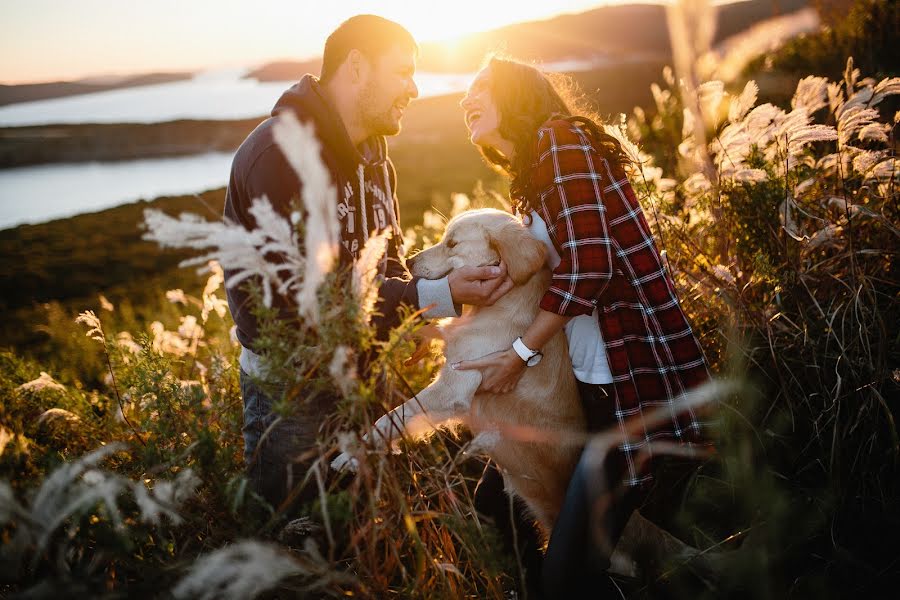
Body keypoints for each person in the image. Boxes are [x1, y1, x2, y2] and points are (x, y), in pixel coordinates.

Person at [223, 16, 512, 511]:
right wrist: (442, 297)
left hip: (368, 378)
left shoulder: (376, 158)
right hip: (296, 395)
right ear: (357, 68)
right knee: (304, 537)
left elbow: (389, 257)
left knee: (372, 527)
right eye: (402, 72)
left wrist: (414, 324)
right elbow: (315, 298)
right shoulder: (280, 155)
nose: (415, 89)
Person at [453, 56, 712, 595]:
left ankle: (715, 574)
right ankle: (699, 570)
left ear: (515, 94)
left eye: (479, 87)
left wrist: (521, 353)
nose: (464, 100)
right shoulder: (535, 170)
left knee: (568, 572)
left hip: (623, 379)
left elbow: (591, 264)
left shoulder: (560, 140)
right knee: (493, 508)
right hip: (588, 382)